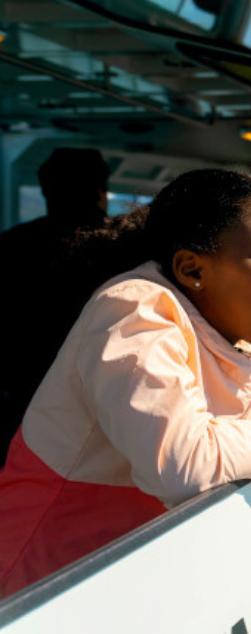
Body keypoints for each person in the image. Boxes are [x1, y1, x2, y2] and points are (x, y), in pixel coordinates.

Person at [0, 170, 251, 597]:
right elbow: (183, 464)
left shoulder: (231, 329)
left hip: (107, 580)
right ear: (192, 269)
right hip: (34, 584)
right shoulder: (135, 311)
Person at [0, 148, 111, 465]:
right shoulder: (130, 246)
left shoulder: (11, 246)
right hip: (103, 401)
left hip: (25, 400)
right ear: (100, 190)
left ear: (46, 190)